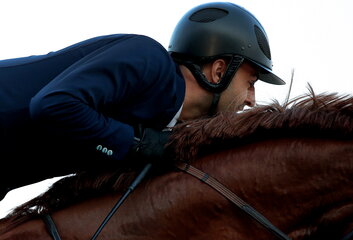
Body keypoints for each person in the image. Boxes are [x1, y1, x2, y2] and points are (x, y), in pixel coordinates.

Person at [0, 2, 285, 200]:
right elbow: (52, 105)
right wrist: (136, 144)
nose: (251, 100)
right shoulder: (148, 59)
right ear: (219, 70)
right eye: (251, 84)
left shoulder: (161, 124)